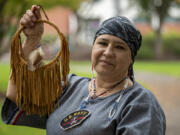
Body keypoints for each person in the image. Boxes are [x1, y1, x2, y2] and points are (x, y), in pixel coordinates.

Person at [1, 5, 166, 135]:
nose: (108, 52)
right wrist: (32, 40)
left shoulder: (139, 103)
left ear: (131, 59)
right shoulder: (70, 87)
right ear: (93, 47)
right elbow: (18, 94)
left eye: (120, 47)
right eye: (102, 43)